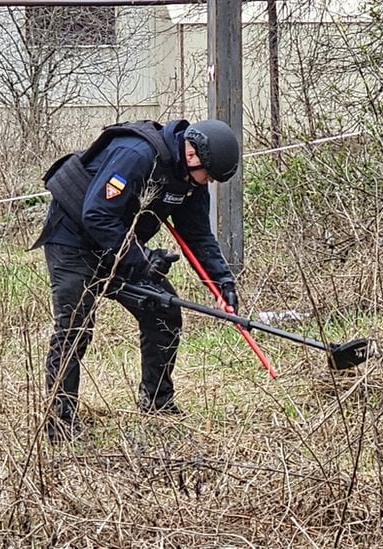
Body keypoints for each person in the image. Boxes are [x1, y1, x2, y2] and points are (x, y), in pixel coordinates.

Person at [34, 118, 242, 442]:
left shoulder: (190, 182)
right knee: (75, 327)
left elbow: (198, 235)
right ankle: (60, 425)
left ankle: (157, 404)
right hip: (73, 238)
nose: (208, 183)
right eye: (209, 175)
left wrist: (222, 282)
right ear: (192, 156)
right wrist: (143, 259)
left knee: (163, 310)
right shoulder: (137, 154)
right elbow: (97, 214)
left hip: (118, 243)